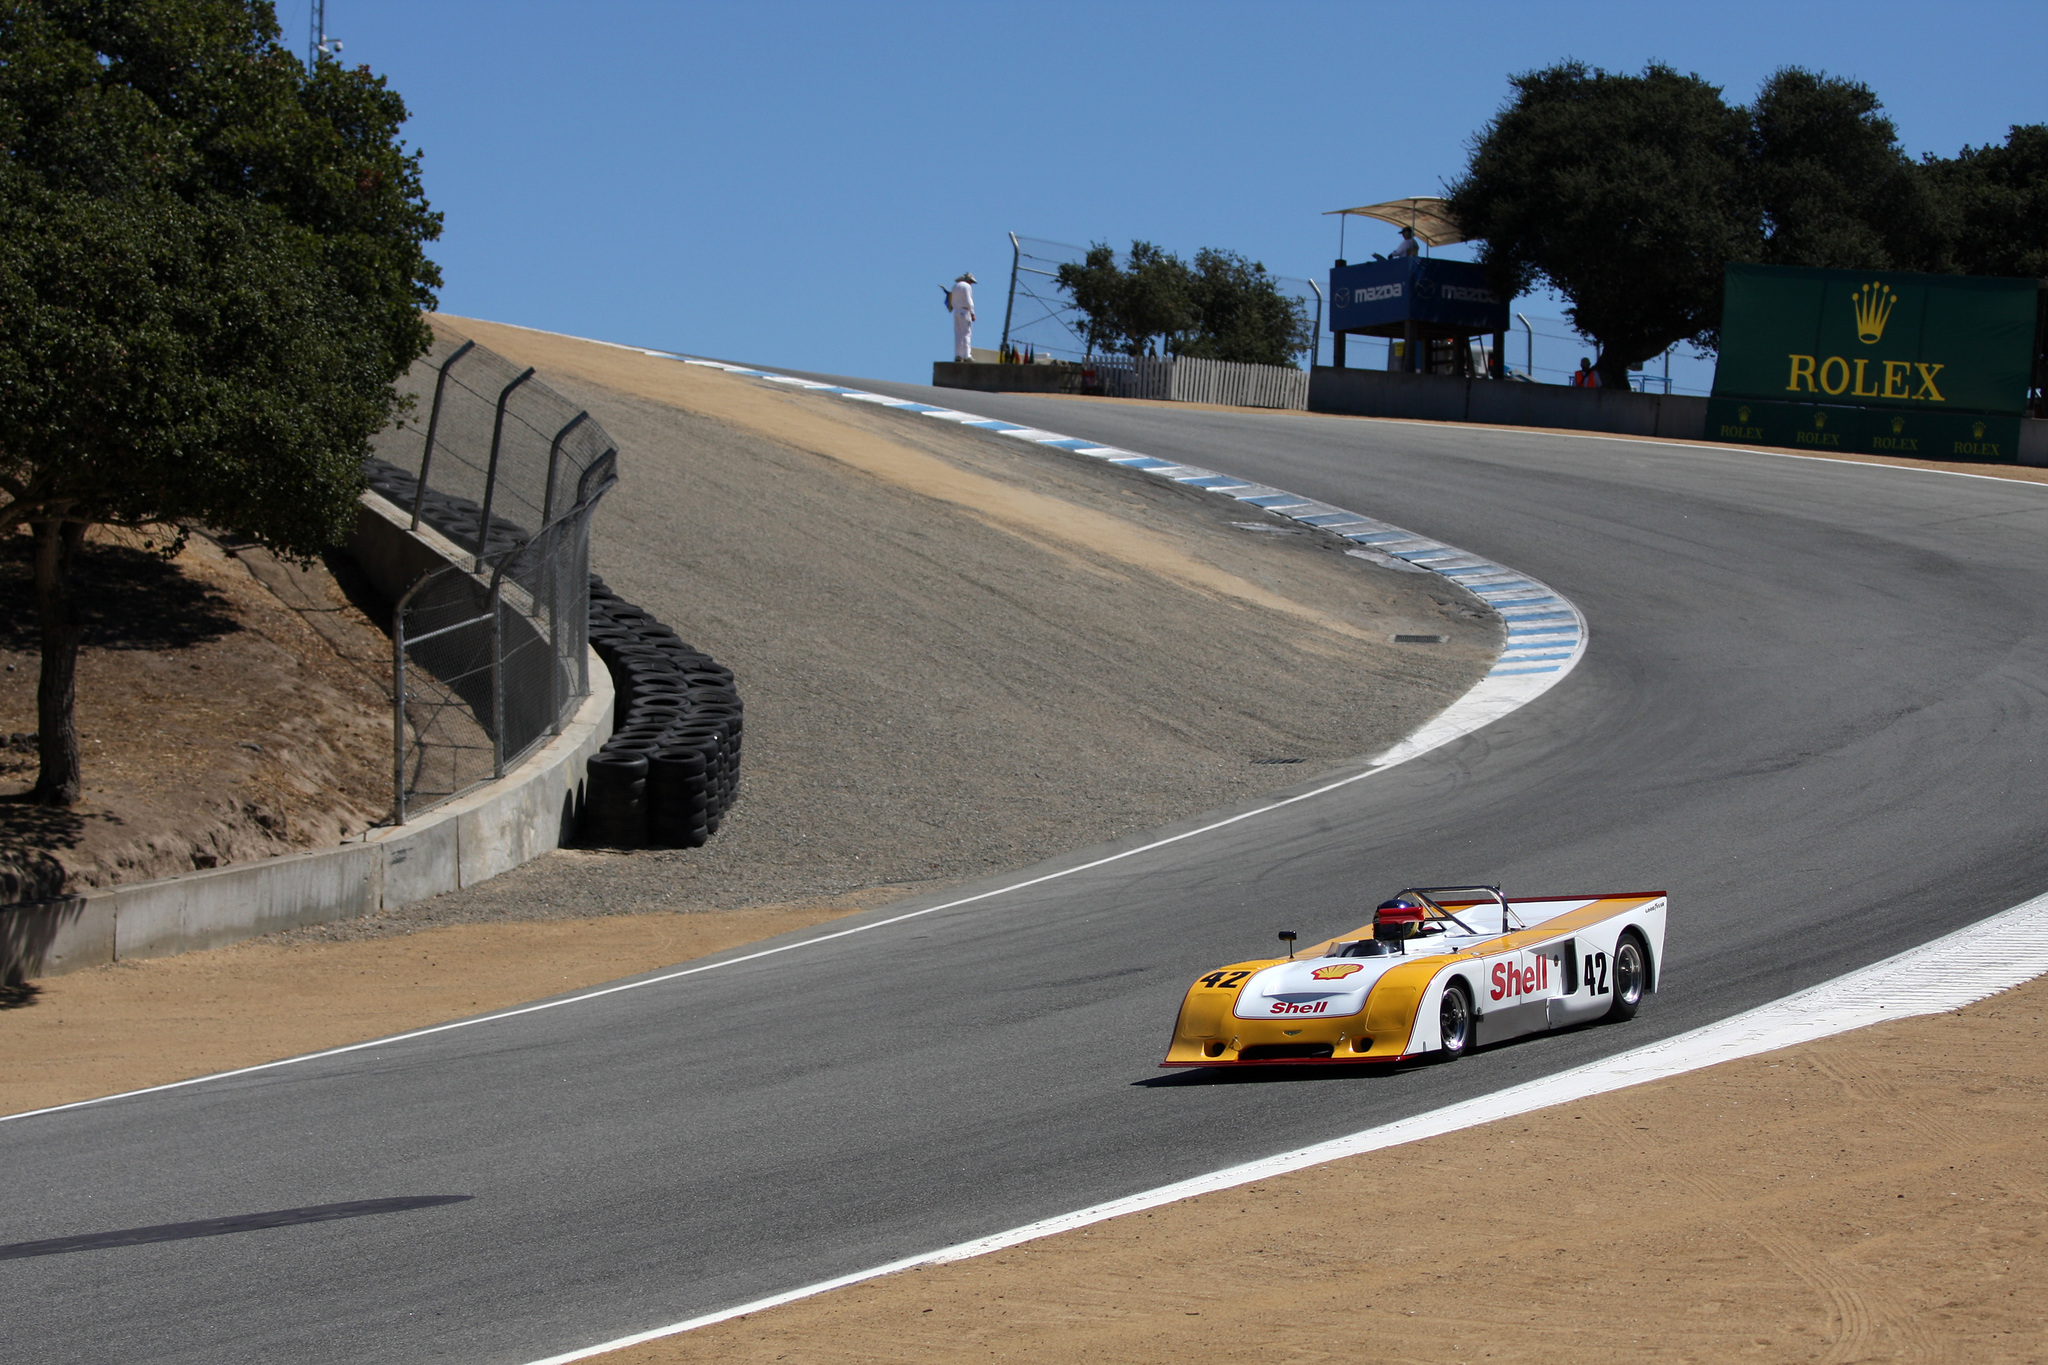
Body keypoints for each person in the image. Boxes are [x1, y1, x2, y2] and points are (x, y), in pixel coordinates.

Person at [950, 272, 976, 362]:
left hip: (956, 311)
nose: (971, 283)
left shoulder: (955, 286)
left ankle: (958, 355)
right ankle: (966, 355)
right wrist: (972, 313)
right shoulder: (967, 287)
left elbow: (952, 301)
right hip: (964, 311)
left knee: (958, 334)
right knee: (966, 333)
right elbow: (969, 301)